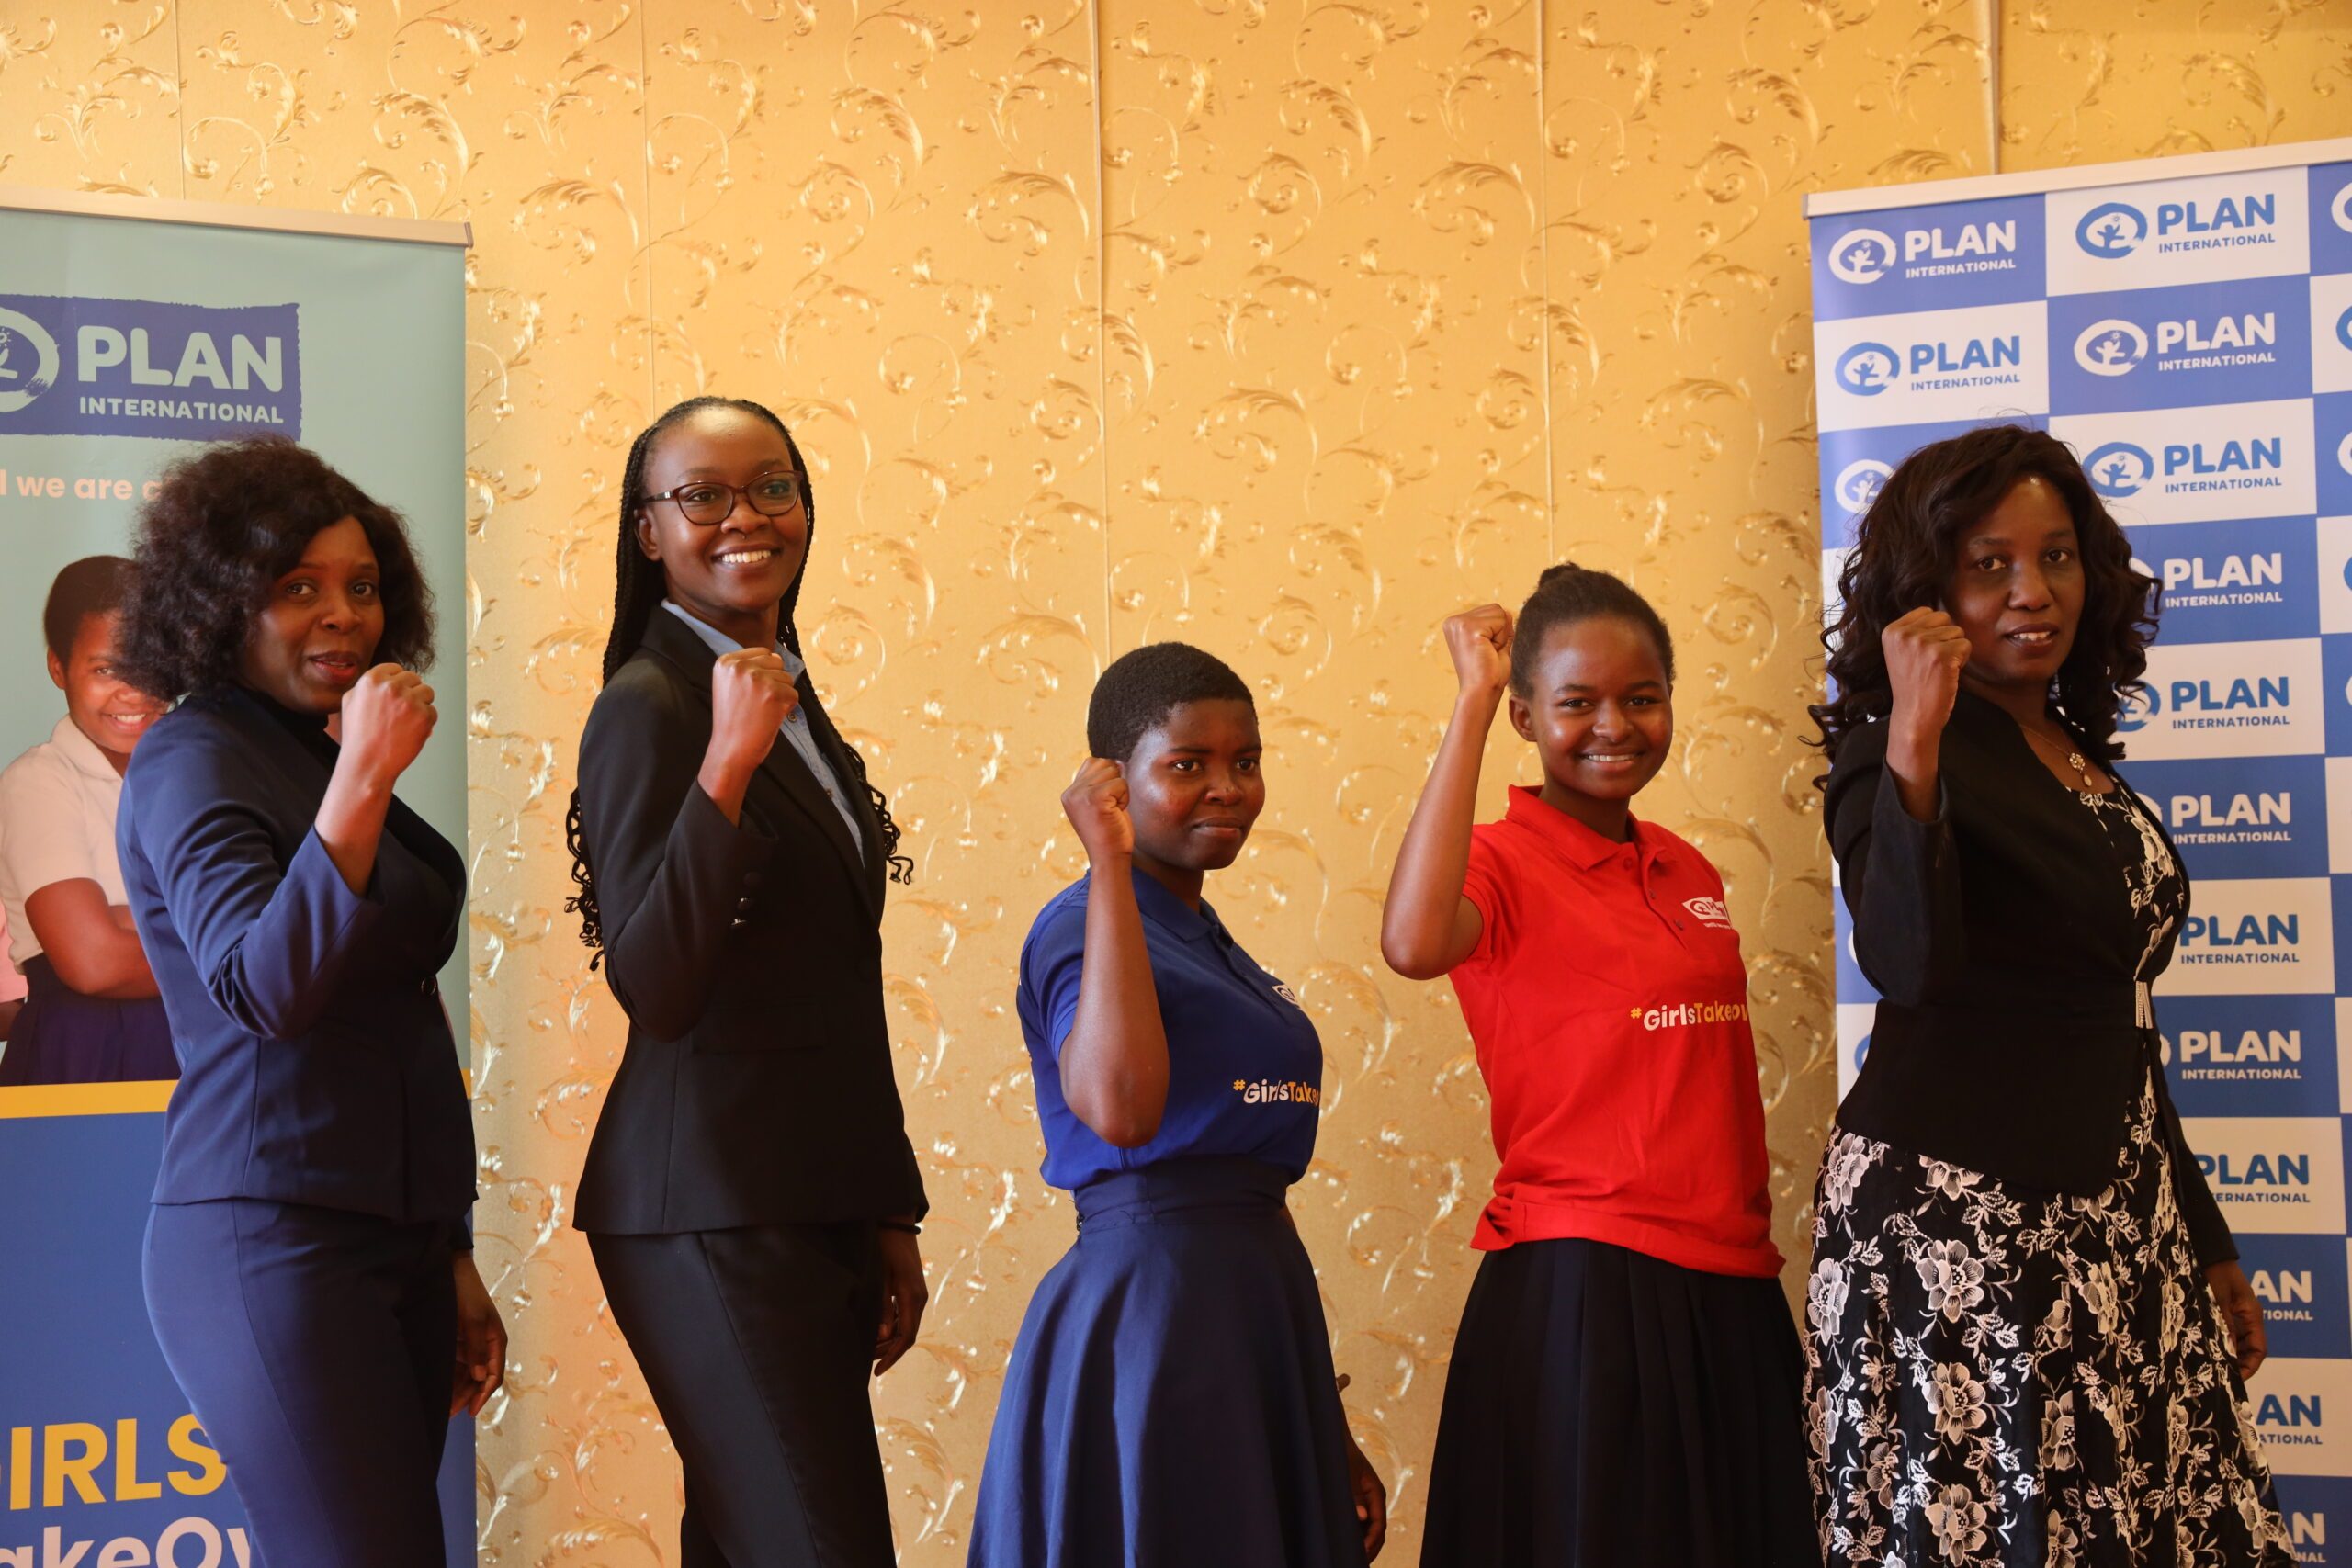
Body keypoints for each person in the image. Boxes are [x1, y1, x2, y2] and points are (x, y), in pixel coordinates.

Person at [1807, 423, 2293, 1565]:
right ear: (1927, 590)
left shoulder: (2076, 756)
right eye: (1989, 564)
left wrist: (2203, 1235)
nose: (2033, 590)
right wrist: (1919, 733)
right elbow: (1906, 963)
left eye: (2058, 556)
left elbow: (2118, 1018)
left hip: (2115, 1212)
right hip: (1955, 1223)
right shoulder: (1890, 753)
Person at [112, 436, 503, 1565]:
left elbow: (396, 1010)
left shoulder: (308, 752)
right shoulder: (192, 754)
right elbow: (263, 987)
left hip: (400, 1239)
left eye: (363, 588)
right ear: (220, 603)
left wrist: (452, 1249)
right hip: (271, 1239)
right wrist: (366, 778)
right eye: (300, 589)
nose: (344, 617)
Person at [1380, 566, 1812, 1567]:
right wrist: (1470, 703)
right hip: (1586, 1285)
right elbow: (1410, 942)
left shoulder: (1685, 865)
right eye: (1575, 704)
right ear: (1528, 717)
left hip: (1731, 1282)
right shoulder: (1494, 861)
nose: (1613, 725)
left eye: (1641, 698)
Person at [566, 395, 928, 1568]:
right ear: (648, 531)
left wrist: (882, 1208)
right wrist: (724, 766)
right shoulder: (652, 704)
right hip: (705, 1206)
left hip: (805, 1193)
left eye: (771, 487)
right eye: (702, 495)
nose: (744, 518)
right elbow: (656, 981)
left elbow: (831, 987)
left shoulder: (779, 686)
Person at [967, 642, 1387, 1568]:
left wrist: (1319, 1422)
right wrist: (1107, 861)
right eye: (1186, 765)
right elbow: (1118, 1110)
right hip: (1152, 1323)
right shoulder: (1083, 922)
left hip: (1253, 1311)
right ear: (1113, 784)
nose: (1227, 789)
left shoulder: (1207, 935)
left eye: (1245, 762)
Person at [0, 556, 175, 1085]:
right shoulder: (39, 781)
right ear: (58, 667)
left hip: (202, 1043)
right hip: (85, 1050)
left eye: (152, 664)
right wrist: (244, 960)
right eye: (106, 669)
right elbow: (92, 961)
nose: (135, 691)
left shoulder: (202, 776)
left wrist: (125, 918)